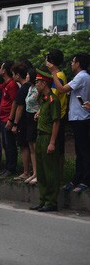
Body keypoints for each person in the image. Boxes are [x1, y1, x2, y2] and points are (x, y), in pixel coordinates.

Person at [47, 52, 90, 194]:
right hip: (78, 117)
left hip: (81, 118)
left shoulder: (82, 76)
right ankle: (77, 177)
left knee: (83, 151)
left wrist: (54, 72)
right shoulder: (83, 77)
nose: (71, 64)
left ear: (78, 63)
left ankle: (85, 180)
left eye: (73, 61)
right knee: (79, 150)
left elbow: (61, 89)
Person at [29, 70, 62, 212]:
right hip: (40, 136)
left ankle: (51, 201)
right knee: (41, 171)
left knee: (50, 172)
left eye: (38, 82)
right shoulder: (43, 100)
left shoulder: (53, 100)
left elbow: (56, 122)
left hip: (48, 137)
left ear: (44, 83)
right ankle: (43, 200)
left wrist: (52, 142)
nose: (36, 84)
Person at [0, 60, 18, 177]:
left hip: (8, 119)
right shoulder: (6, 84)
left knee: (10, 144)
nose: (0, 70)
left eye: (1, 68)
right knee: (5, 144)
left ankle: (11, 168)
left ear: (5, 70)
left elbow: (15, 103)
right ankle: (7, 167)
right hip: (3, 118)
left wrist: (11, 120)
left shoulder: (12, 85)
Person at [11, 63, 33, 181]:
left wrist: (15, 123)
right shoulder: (29, 86)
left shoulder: (23, 88)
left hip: (23, 122)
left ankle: (26, 172)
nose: (13, 76)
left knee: (24, 147)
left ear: (18, 75)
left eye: (14, 74)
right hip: (29, 120)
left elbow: (20, 107)